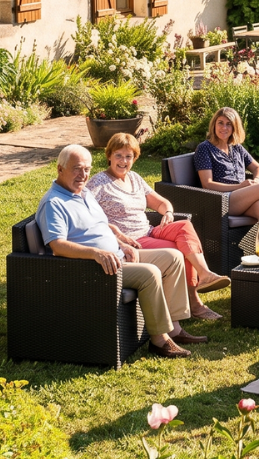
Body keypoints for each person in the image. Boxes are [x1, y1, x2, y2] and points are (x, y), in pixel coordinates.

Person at [37, 144, 207, 359]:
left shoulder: (84, 193)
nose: (83, 175)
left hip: (117, 255)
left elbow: (101, 225)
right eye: (77, 168)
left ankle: (174, 328)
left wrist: (121, 243)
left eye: (87, 169)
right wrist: (96, 254)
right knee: (150, 273)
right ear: (60, 169)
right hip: (95, 267)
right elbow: (57, 245)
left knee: (173, 258)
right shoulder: (54, 203)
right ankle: (159, 340)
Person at [87, 133, 231, 320]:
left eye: (128, 156)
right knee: (180, 251)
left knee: (184, 226)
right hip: (132, 240)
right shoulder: (99, 183)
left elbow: (162, 203)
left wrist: (168, 213)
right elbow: (87, 215)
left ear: (135, 158)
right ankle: (194, 302)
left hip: (149, 231)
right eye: (118, 155)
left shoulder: (134, 178)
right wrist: (116, 235)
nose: (124, 161)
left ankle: (204, 275)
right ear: (109, 156)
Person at [194, 107, 259, 238]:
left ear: (234, 127)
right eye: (220, 123)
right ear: (214, 125)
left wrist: (256, 181)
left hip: (241, 198)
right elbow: (207, 184)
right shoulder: (204, 148)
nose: (224, 128)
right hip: (220, 200)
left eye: (229, 124)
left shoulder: (236, 148)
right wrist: (240, 186)